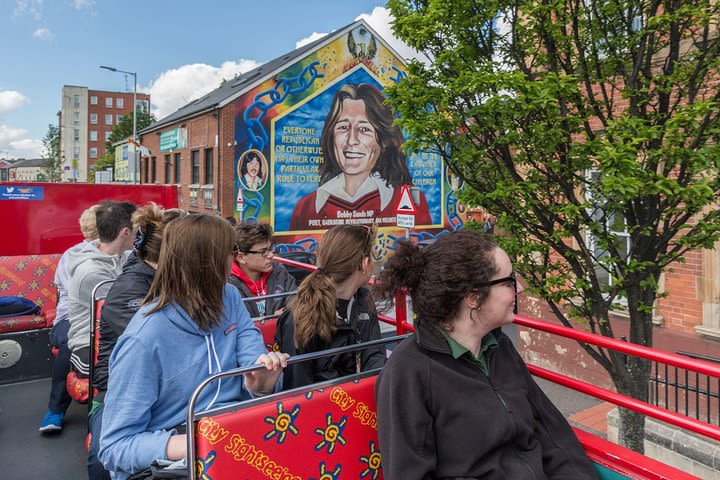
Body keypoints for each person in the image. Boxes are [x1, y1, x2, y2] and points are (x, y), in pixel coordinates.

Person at [373, 231, 599, 479]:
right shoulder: (408, 371)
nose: (520, 288)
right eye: (508, 281)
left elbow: (552, 434)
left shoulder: (498, 347)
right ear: (473, 297)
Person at [98, 213, 288, 480]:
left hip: (237, 439)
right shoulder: (143, 340)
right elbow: (114, 448)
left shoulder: (230, 297)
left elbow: (254, 371)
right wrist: (197, 441)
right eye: (227, 252)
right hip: (180, 456)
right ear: (206, 263)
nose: (232, 260)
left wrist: (262, 385)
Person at [87, 204, 184, 480]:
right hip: (115, 392)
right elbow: (159, 347)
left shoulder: (167, 279)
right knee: (102, 459)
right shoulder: (130, 289)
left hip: (163, 390)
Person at [290, 83, 432, 230]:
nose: (352, 140)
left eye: (364, 129)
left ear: (383, 141)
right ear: (331, 136)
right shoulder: (305, 208)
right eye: (343, 127)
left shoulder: (409, 201)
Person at [274, 224, 385, 389]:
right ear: (364, 263)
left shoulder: (363, 299)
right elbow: (298, 391)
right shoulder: (299, 317)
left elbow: (375, 356)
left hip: (361, 402)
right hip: (323, 410)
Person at [38, 204, 99, 433]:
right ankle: (55, 409)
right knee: (71, 341)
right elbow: (80, 298)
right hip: (69, 319)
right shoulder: (73, 256)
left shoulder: (118, 255)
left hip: (100, 318)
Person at [67, 201, 137, 380]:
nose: (140, 233)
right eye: (138, 228)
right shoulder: (91, 271)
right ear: (126, 233)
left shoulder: (123, 256)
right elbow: (122, 312)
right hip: (88, 344)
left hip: (111, 336)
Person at [228, 222, 296, 318]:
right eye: (263, 251)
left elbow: (297, 300)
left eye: (270, 249)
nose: (271, 255)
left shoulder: (279, 272)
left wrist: (286, 312)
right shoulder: (227, 284)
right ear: (241, 257)